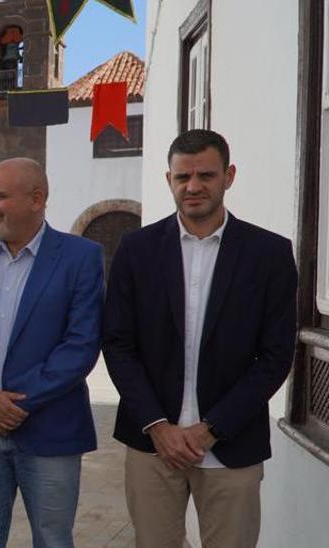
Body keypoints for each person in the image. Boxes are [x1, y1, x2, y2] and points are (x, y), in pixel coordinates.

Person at [103, 129, 296, 548]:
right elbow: (118, 343)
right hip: (151, 442)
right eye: (182, 177)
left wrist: (212, 428)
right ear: (168, 180)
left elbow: (276, 355)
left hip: (233, 442)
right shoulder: (135, 249)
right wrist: (157, 425)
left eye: (206, 175)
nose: (193, 187)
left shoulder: (270, 254)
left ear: (229, 176)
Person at [0, 158, 104, 547]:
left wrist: (14, 404)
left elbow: (81, 344)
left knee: (52, 540)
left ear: (37, 199)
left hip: (51, 429)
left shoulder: (80, 257)